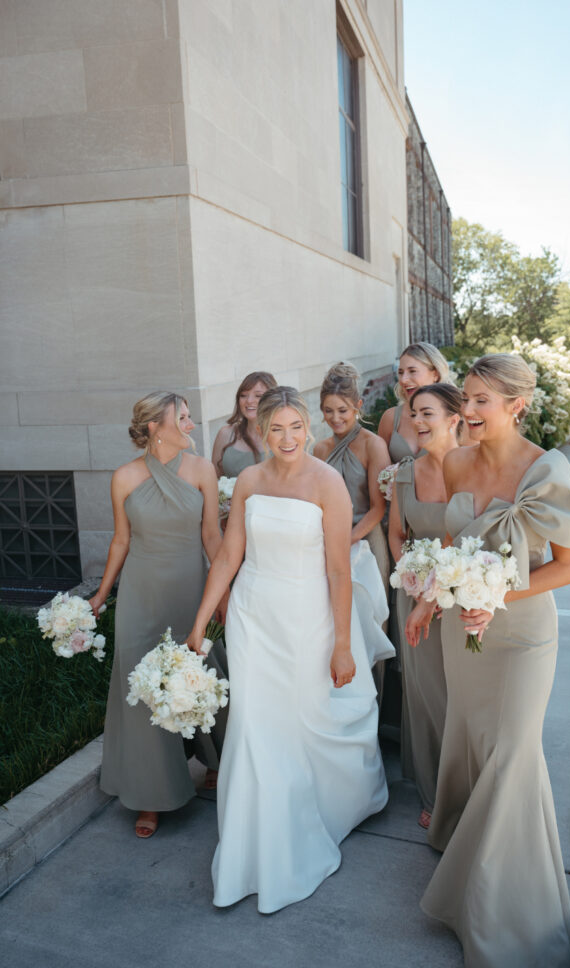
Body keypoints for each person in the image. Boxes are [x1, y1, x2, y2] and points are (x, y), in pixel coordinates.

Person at [406, 354, 570, 968]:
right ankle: (469, 853)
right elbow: (455, 543)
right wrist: (432, 601)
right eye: (469, 399)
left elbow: (569, 565)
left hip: (523, 635)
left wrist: (497, 595)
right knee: (475, 739)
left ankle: (502, 914)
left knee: (512, 752)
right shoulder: (455, 462)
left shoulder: (547, 470)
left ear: (516, 405)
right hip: (463, 634)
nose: (471, 411)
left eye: (484, 400)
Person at [186, 386, 388, 913]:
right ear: (262, 430)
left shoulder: (329, 484)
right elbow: (230, 555)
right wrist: (203, 620)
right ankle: (250, 846)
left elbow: (340, 570)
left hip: (307, 618)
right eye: (276, 428)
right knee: (254, 725)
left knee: (300, 721)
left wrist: (343, 645)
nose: (287, 437)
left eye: (295, 426)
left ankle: (313, 818)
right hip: (254, 615)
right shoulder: (250, 480)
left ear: (309, 426)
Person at [90, 392, 227, 839]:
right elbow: (120, 541)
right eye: (182, 418)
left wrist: (223, 593)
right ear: (154, 427)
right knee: (142, 689)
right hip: (140, 597)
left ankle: (211, 759)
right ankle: (152, 795)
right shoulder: (124, 477)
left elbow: (212, 537)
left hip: (191, 590)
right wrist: (101, 595)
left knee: (202, 674)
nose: (191, 424)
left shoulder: (203, 469)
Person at [388, 382, 462, 829]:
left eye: (428, 414)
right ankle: (435, 792)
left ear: (454, 418)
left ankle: (467, 789)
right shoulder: (403, 472)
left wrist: (435, 588)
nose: (417, 422)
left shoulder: (471, 470)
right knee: (426, 692)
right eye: (414, 413)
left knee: (460, 694)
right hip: (413, 593)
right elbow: (397, 533)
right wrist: (412, 576)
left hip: (459, 594)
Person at [313, 363, 394, 692]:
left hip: (366, 539)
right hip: (327, 542)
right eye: (328, 411)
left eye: (343, 410)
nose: (336, 418)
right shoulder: (319, 449)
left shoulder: (373, 445)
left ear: (358, 407)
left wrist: (350, 538)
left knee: (371, 618)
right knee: (331, 619)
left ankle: (374, 696)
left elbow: (379, 507)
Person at [378, 342, 452, 462]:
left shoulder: (455, 417)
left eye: (412, 371)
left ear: (435, 374)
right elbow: (381, 472)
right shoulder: (390, 418)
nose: (403, 380)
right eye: (400, 372)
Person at [211, 372, 277, 478]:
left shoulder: (282, 436)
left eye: (258, 396)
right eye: (243, 395)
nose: (249, 401)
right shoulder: (225, 434)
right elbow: (214, 480)